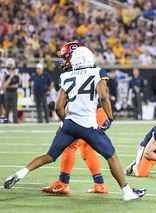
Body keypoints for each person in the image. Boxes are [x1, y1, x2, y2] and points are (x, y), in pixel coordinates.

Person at [4, 46, 146, 201]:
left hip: (70, 124)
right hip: (88, 126)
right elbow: (104, 97)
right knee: (111, 156)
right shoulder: (97, 72)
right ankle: (126, 192)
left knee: (50, 155)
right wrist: (110, 118)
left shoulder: (66, 76)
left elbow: (58, 106)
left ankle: (23, 171)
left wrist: (65, 122)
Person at [41, 42, 109, 195]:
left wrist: (65, 121)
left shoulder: (72, 74)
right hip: (98, 112)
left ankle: (63, 183)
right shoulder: (90, 70)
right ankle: (100, 184)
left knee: (68, 146)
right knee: (87, 150)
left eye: (66, 58)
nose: (64, 61)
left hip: (88, 113)